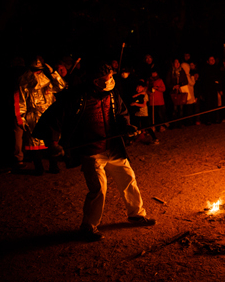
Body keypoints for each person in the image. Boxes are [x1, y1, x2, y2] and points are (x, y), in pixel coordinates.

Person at [34, 61, 156, 241]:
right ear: (95, 81)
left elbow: (121, 114)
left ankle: (136, 214)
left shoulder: (112, 93)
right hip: (91, 151)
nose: (110, 81)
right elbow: (53, 118)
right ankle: (88, 226)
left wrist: (127, 126)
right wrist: (53, 142)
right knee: (99, 188)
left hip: (113, 147)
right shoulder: (76, 96)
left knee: (128, 179)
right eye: (106, 79)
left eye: (111, 77)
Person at [18, 56, 66, 175]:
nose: (37, 72)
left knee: (51, 141)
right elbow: (21, 101)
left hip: (48, 114)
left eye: (39, 69)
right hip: (33, 115)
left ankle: (53, 166)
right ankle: (39, 168)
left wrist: (54, 73)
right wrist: (22, 118)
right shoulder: (24, 82)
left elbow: (61, 86)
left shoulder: (47, 80)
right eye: (35, 69)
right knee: (34, 142)